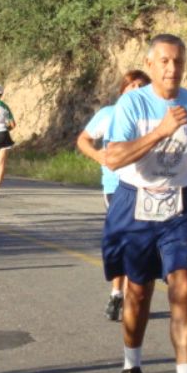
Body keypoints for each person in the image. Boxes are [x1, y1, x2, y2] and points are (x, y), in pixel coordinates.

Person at [102, 34, 187, 373]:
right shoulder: (132, 105)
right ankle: (131, 363)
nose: (172, 68)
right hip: (134, 201)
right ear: (150, 65)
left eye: (178, 61)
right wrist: (160, 131)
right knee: (138, 290)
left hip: (181, 206)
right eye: (164, 61)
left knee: (184, 287)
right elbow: (113, 157)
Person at [77, 70, 150, 322]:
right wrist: (98, 156)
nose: (136, 88)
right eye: (132, 85)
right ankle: (117, 292)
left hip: (147, 186)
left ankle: (130, 295)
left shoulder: (152, 116)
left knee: (139, 243)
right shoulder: (108, 114)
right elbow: (84, 139)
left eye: (142, 85)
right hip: (116, 186)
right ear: (123, 89)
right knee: (126, 240)